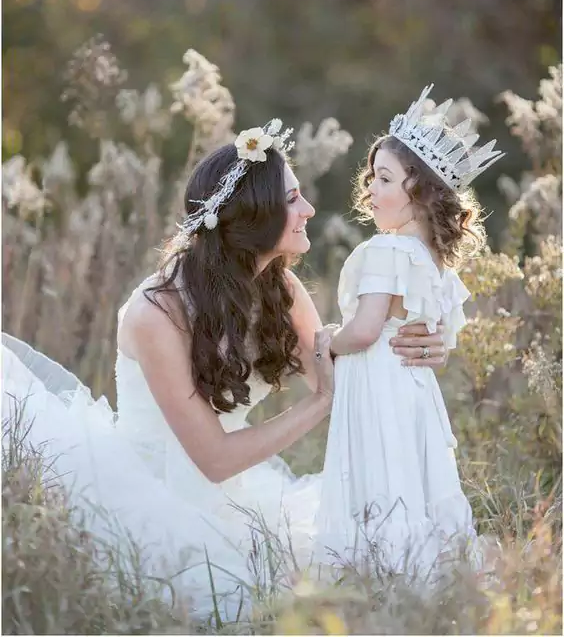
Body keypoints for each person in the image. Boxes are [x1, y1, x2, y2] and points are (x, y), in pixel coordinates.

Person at [2, 117, 447, 619]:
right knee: (247, 600)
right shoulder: (158, 312)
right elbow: (212, 458)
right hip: (151, 493)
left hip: (232, 494)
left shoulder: (282, 290)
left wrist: (418, 344)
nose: (309, 210)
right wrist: (320, 402)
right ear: (253, 217)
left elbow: (342, 368)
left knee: (337, 579)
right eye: (293, 199)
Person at [314, 85, 504, 576]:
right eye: (372, 178)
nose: (370, 190)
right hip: (414, 391)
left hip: (377, 385)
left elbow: (364, 330)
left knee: (380, 471)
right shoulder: (434, 261)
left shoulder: (386, 250)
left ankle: (383, 569)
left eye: (384, 179)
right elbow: (447, 336)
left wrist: (325, 341)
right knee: (410, 473)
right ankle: (422, 567)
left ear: (418, 189)